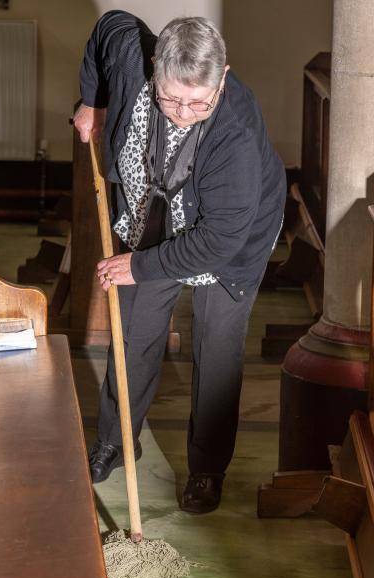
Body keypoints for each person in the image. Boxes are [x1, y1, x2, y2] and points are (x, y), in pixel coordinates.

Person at [74, 10, 286, 514]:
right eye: (171, 97)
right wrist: (92, 101)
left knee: (216, 346)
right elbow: (109, 28)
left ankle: (207, 469)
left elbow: (220, 240)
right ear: (153, 67)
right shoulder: (131, 57)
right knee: (133, 336)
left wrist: (138, 267)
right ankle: (116, 438)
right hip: (156, 209)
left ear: (223, 79)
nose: (184, 112)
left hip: (229, 237)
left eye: (199, 101)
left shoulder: (233, 132)